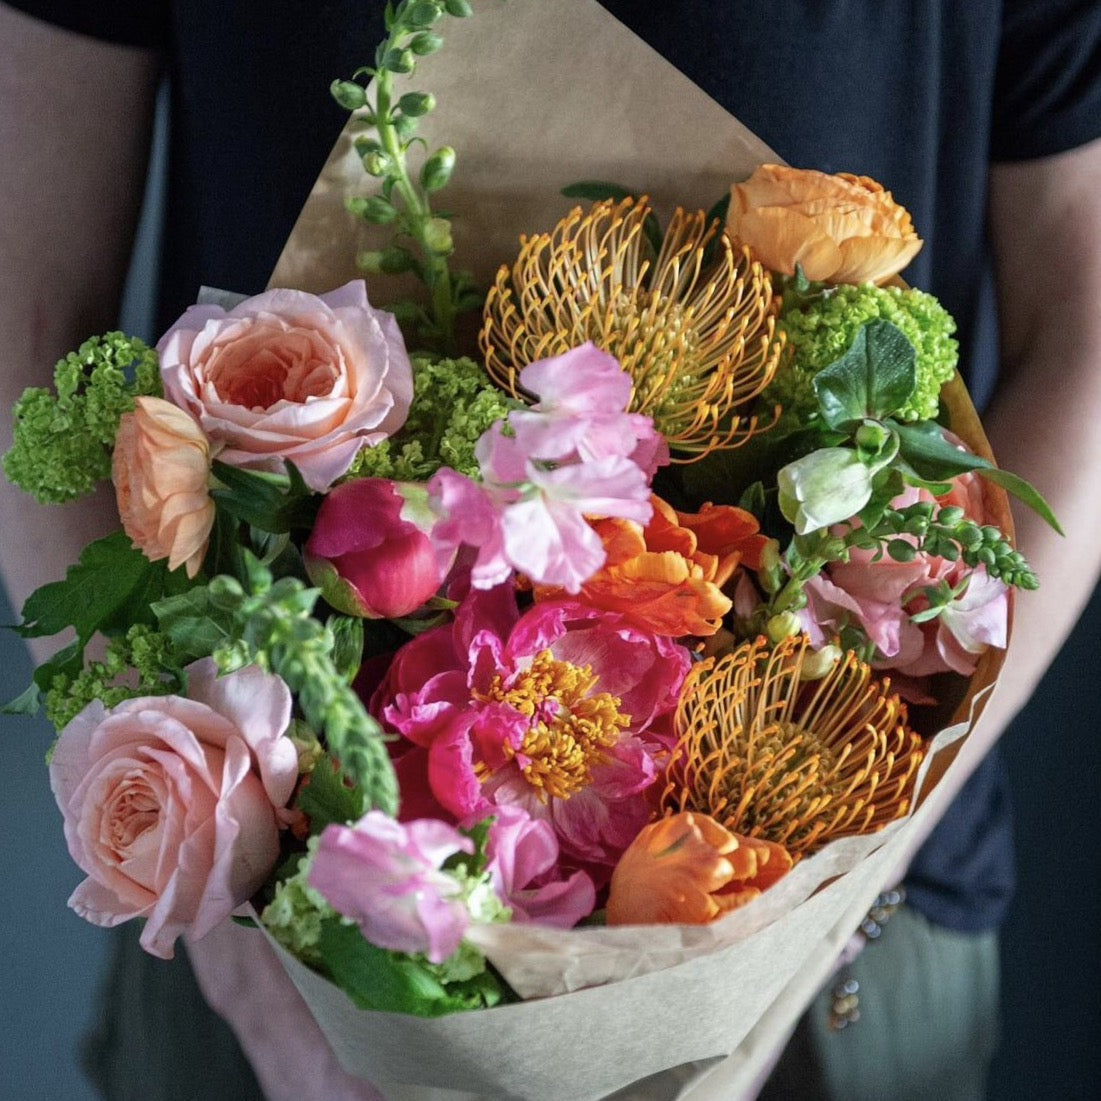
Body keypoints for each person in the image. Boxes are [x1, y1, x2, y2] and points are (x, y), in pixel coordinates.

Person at [2, 2, 1100, 1098]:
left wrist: (827, 905)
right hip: (266, 943)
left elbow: (1086, 334)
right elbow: (26, 306)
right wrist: (237, 931)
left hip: (851, 919)